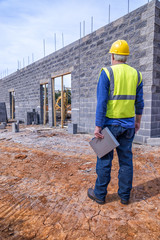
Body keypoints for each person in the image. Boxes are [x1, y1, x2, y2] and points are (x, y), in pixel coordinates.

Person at [87, 39, 144, 205]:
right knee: (126, 161)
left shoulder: (107, 72)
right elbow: (139, 103)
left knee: (104, 160)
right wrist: (137, 121)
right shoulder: (137, 74)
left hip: (110, 126)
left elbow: (102, 102)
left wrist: (98, 125)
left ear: (112, 55)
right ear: (126, 57)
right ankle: (125, 196)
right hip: (128, 126)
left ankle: (100, 195)